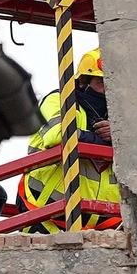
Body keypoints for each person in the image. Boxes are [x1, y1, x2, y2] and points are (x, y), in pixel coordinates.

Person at [19, 46, 121, 229]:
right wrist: (105, 141)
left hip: (100, 222)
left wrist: (120, 137)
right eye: (101, 82)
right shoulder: (58, 100)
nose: (108, 90)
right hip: (44, 213)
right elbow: (57, 135)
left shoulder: (120, 119)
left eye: (113, 84)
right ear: (83, 81)